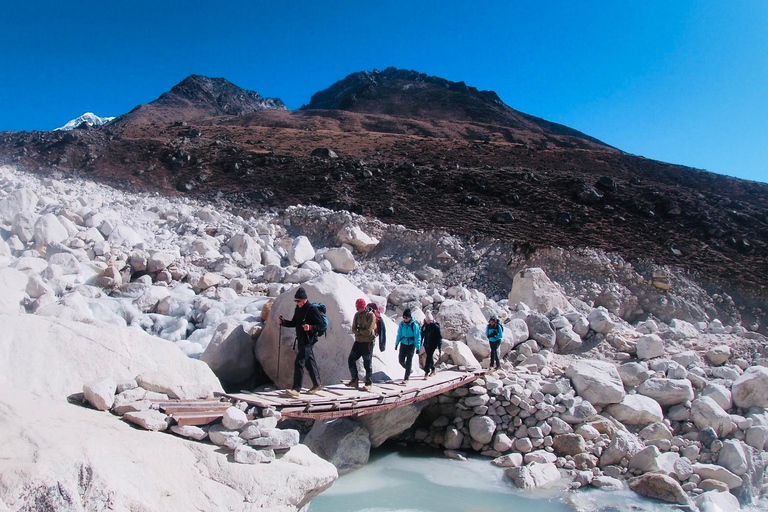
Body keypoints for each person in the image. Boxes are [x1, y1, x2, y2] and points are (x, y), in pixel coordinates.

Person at [278, 287, 323, 397]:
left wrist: (310, 327)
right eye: (296, 301)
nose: (297, 303)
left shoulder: (312, 309)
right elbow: (294, 323)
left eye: (298, 301)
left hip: (309, 340)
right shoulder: (298, 309)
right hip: (301, 340)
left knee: (299, 363)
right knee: (309, 363)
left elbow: (321, 325)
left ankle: (296, 389)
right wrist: (284, 322)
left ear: (304, 299)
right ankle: (317, 384)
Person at [348, 298, 376, 392]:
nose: (358, 310)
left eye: (359, 308)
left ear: (363, 307)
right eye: (357, 308)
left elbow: (368, 331)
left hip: (367, 342)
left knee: (367, 363)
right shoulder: (357, 315)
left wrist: (358, 331)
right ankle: (354, 379)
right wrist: (359, 331)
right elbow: (353, 329)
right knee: (351, 359)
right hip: (358, 341)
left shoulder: (371, 315)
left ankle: (368, 383)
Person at [395, 308, 421, 385]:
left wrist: (418, 347)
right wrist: (396, 343)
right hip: (403, 343)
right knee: (401, 360)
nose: (404, 319)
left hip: (411, 344)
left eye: (406, 317)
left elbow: (417, 336)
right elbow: (399, 334)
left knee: (409, 360)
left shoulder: (414, 325)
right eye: (403, 317)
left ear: (409, 317)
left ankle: (406, 378)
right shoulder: (402, 324)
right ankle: (409, 369)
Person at [421, 312, 442, 378]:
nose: (429, 322)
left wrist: (439, 346)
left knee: (428, 357)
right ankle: (433, 369)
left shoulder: (435, 327)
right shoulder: (424, 326)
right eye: (428, 320)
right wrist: (420, 342)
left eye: (430, 321)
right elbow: (422, 335)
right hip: (426, 344)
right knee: (429, 357)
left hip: (433, 344)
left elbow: (439, 337)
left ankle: (426, 372)